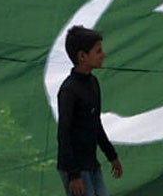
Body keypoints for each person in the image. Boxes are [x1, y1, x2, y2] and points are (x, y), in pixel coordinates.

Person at [57, 25, 123, 196]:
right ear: (82, 56)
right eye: (98, 51)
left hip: (91, 164)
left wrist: (112, 156)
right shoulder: (69, 90)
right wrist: (73, 175)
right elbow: (63, 134)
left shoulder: (93, 83)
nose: (104, 54)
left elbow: (95, 124)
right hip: (75, 169)